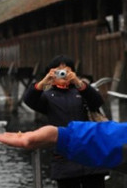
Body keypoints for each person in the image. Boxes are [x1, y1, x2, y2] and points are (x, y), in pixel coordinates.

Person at [23, 55, 108, 188]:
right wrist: (44, 81)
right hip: (64, 158)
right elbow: (29, 100)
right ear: (51, 74)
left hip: (90, 154)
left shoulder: (82, 91)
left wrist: (78, 82)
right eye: (58, 71)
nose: (62, 74)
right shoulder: (48, 96)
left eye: (66, 71)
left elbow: (97, 101)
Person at [0, 121, 127, 176]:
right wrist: (61, 137)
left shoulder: (79, 90)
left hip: (78, 152)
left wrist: (82, 86)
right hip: (69, 150)